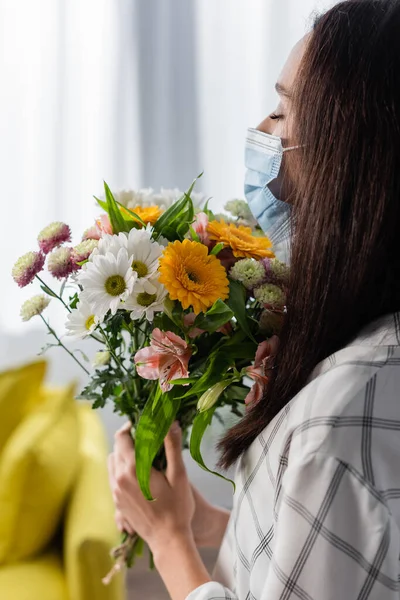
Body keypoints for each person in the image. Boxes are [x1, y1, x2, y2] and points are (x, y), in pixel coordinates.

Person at [108, 1, 400, 598]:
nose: (262, 132)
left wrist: (169, 544)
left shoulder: (340, 416)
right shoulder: (366, 353)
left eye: (281, 111)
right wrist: (203, 521)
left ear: (350, 153)